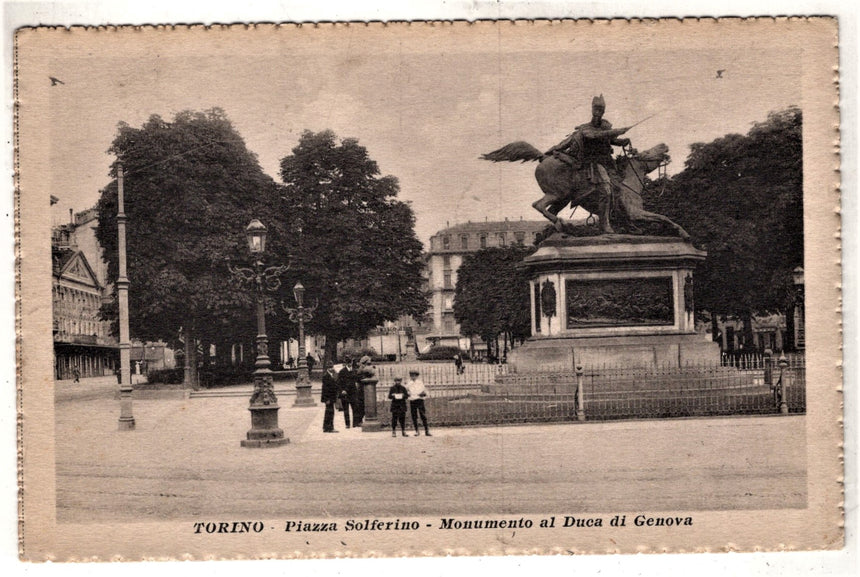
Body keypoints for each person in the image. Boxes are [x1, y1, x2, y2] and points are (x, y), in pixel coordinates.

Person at [545, 95, 631, 234]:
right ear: (592, 110)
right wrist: (617, 131)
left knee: (619, 189)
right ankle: (604, 225)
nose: (598, 112)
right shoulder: (585, 128)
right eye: (596, 109)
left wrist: (623, 141)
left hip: (608, 164)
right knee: (606, 191)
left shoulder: (605, 126)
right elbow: (594, 136)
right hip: (594, 164)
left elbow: (609, 139)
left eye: (601, 110)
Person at [405, 369, 431, 437]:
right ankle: (417, 431)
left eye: (414, 376)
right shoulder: (409, 383)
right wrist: (408, 394)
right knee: (414, 416)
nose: (413, 377)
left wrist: (423, 393)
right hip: (413, 400)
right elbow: (406, 391)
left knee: (423, 415)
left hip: (419, 400)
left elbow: (424, 390)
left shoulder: (420, 382)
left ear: (417, 376)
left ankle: (427, 430)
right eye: (411, 376)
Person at [338, 359, 358, 429]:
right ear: (346, 363)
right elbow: (339, 383)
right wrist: (342, 390)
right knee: (346, 410)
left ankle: (355, 423)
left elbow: (357, 380)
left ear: (352, 362)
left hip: (353, 393)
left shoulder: (354, 371)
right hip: (345, 393)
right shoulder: (342, 372)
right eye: (348, 363)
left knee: (355, 408)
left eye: (350, 362)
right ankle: (347, 424)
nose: (350, 364)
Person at [321, 365, 340, 433]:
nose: (332, 369)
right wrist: (327, 399)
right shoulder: (326, 376)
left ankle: (326, 427)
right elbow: (325, 389)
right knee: (330, 412)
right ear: (328, 368)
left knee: (329, 412)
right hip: (329, 398)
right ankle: (329, 427)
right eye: (330, 368)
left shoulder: (331, 375)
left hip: (331, 397)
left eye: (332, 367)